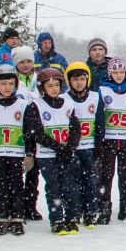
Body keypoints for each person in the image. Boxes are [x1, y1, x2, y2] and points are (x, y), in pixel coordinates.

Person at [28, 67, 84, 233]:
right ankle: (57, 219)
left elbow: (75, 128)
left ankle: (72, 217)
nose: (54, 89)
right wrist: (58, 148)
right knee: (53, 187)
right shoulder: (35, 106)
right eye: (49, 86)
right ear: (42, 88)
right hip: (47, 154)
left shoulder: (67, 103)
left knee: (70, 186)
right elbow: (36, 134)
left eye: (56, 85)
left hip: (66, 153)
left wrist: (70, 147)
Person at [0, 65, 32, 234]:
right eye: (3, 84)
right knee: (0, 186)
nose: (7, 87)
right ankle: (2, 216)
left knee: (17, 185)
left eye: (11, 83)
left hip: (16, 152)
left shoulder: (23, 105)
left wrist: (29, 154)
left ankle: (17, 216)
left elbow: (28, 131)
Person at [94, 58, 126, 224]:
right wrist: (99, 141)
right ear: (109, 73)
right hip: (109, 141)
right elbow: (98, 117)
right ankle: (104, 207)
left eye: (121, 72)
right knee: (106, 176)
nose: (118, 75)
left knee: (125, 175)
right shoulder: (102, 91)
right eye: (114, 72)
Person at [63, 63, 103, 230]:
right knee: (72, 181)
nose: (79, 83)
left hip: (89, 146)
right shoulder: (64, 98)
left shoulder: (94, 97)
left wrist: (99, 143)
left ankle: (91, 210)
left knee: (90, 180)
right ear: (69, 81)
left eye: (82, 79)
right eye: (75, 79)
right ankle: (74, 211)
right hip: (71, 148)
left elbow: (100, 121)